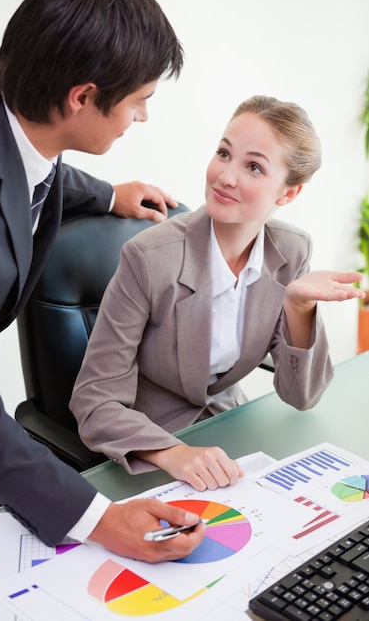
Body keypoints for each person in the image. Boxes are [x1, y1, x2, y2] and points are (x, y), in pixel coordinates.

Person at [0, 0, 207, 563]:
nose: (142, 117)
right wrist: (102, 519)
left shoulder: (6, 87)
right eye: (140, 101)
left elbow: (30, 164)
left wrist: (108, 194)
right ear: (83, 97)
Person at [70, 95, 365, 492]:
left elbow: (303, 396)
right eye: (224, 153)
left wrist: (299, 307)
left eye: (254, 166)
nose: (225, 176)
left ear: (288, 194)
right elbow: (94, 400)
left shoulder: (291, 250)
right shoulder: (149, 258)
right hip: (149, 447)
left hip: (227, 428)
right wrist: (172, 453)